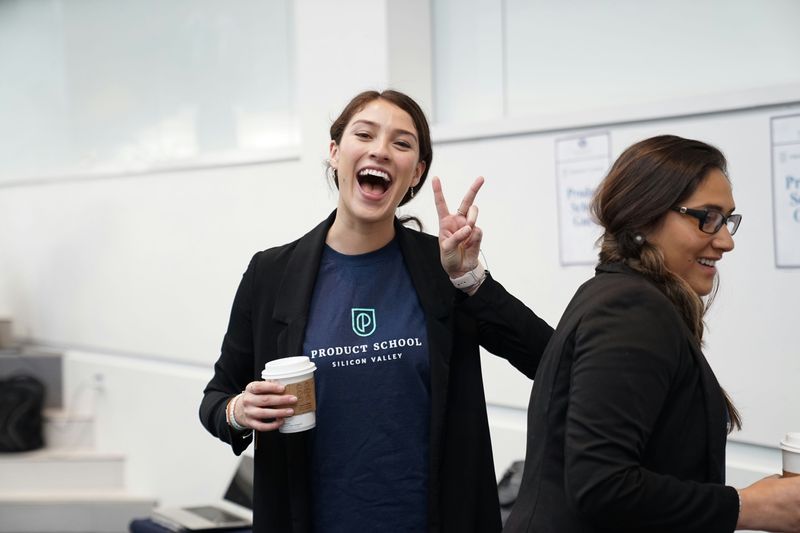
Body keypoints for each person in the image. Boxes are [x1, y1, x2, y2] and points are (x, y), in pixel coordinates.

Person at [199, 89, 553, 533]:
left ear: (416, 173)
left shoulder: (441, 269)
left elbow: (549, 359)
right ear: (334, 153)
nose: (381, 150)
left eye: (402, 144)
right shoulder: (271, 273)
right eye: (364, 134)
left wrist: (469, 279)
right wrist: (238, 410)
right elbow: (216, 398)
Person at [504, 134, 800, 533]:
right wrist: (746, 506)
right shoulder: (630, 309)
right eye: (707, 217)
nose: (726, 240)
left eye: (727, 219)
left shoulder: (619, 293)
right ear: (645, 216)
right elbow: (602, 486)